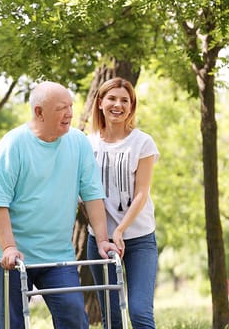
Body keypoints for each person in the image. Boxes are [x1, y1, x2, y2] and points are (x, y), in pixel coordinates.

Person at [0, 81, 119, 329]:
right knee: (10, 324)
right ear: (39, 112)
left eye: (70, 106)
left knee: (74, 318)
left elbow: (92, 195)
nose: (69, 113)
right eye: (61, 108)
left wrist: (102, 239)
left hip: (56, 253)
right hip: (10, 253)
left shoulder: (78, 143)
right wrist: (9, 247)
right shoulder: (13, 145)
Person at [86, 77, 159, 329]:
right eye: (112, 98)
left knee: (139, 313)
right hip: (99, 241)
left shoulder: (143, 142)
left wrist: (119, 230)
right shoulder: (88, 143)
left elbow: (141, 193)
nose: (118, 105)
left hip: (139, 239)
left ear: (132, 106)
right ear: (100, 103)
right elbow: (84, 193)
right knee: (112, 317)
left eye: (125, 100)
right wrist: (104, 236)